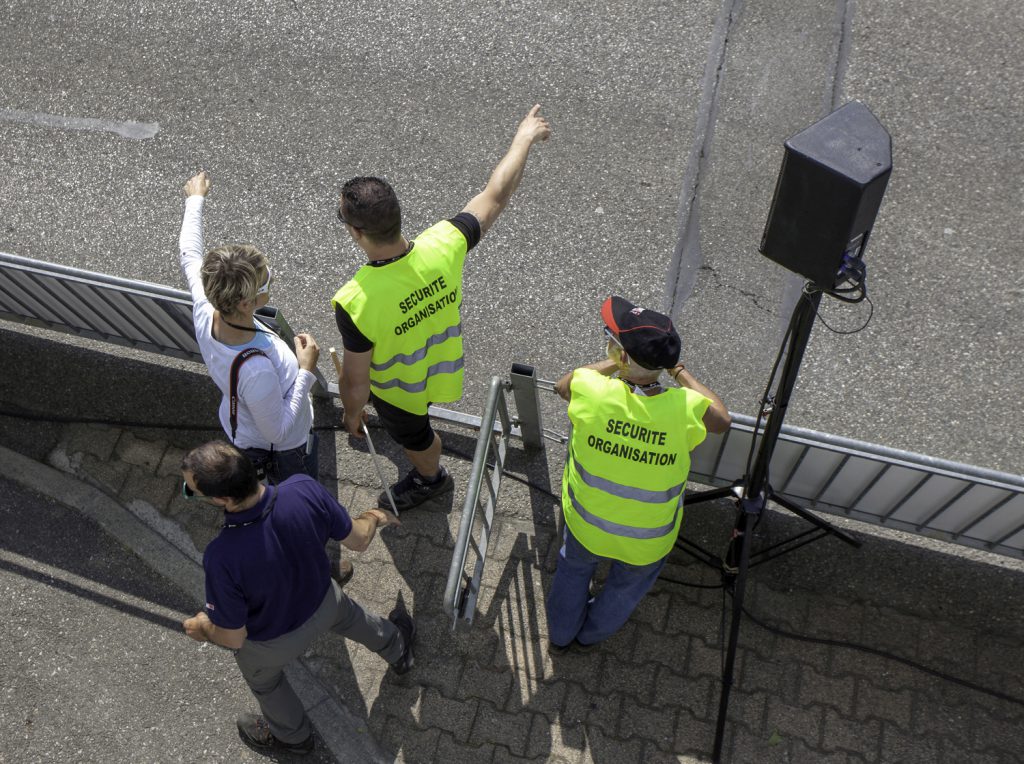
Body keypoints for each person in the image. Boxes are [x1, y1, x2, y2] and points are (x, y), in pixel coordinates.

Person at [331, 105, 551, 511]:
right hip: (441, 367)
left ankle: (430, 478)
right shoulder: (444, 243)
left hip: (401, 392)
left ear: (355, 231)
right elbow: (496, 195)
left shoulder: (355, 299)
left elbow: (357, 380)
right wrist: (523, 139)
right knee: (418, 426)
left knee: (418, 439)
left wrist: (351, 413)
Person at [180, 441, 412, 756]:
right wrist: (373, 515)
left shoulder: (221, 557)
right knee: (355, 619)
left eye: (192, 490)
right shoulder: (303, 489)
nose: (190, 492)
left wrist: (203, 627)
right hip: (325, 601)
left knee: (267, 685)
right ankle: (399, 650)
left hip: (271, 644)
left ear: (221, 499)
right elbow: (358, 539)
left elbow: (233, 638)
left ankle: (294, 740)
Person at [545, 296, 731, 652]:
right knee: (626, 588)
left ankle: (562, 635)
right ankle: (591, 636)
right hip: (648, 538)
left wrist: (615, 364)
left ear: (622, 355)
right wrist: (676, 370)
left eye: (612, 340)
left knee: (572, 572)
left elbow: (562, 386)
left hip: (587, 523)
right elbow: (722, 420)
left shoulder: (593, 390)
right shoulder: (684, 408)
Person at [179, 171, 320, 484]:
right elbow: (278, 430)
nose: (271, 277)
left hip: (244, 425)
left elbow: (190, 254)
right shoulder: (256, 370)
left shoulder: (207, 305)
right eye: (266, 281)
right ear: (246, 304)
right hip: (287, 449)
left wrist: (195, 200)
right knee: (303, 499)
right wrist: (306, 371)